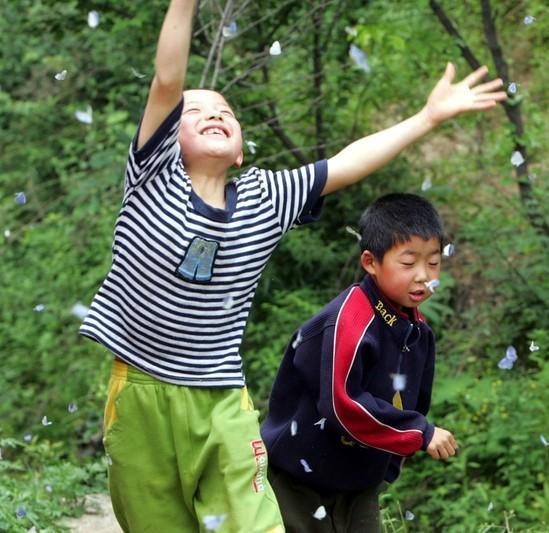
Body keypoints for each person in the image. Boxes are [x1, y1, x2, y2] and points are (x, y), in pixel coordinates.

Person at [78, 0, 505, 531]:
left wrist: (427, 117)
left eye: (225, 111)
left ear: (238, 151)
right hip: (141, 389)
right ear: (167, 141)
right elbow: (168, 79)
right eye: (194, 112)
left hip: (221, 397)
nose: (213, 114)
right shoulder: (151, 181)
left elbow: (348, 162)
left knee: (257, 523)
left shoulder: (265, 196)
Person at [261, 193, 456, 532]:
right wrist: (419, 433)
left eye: (434, 262)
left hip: (360, 480)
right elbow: (342, 403)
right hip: (299, 476)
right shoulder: (349, 320)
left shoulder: (419, 333)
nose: (424, 275)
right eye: (409, 264)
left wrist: (389, 466)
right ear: (370, 262)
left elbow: (414, 403)